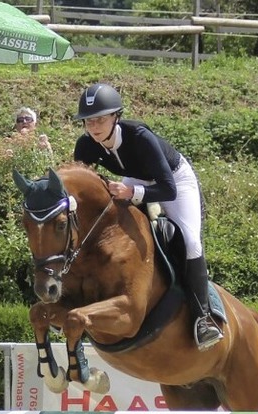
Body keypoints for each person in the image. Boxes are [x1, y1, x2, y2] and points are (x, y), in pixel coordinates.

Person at [72, 83, 223, 351]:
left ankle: (204, 318)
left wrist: (132, 192)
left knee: (190, 242)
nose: (93, 126)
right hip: (135, 179)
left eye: (100, 119)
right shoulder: (85, 145)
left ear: (115, 117)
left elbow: (168, 188)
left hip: (174, 180)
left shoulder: (139, 136)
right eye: (88, 121)